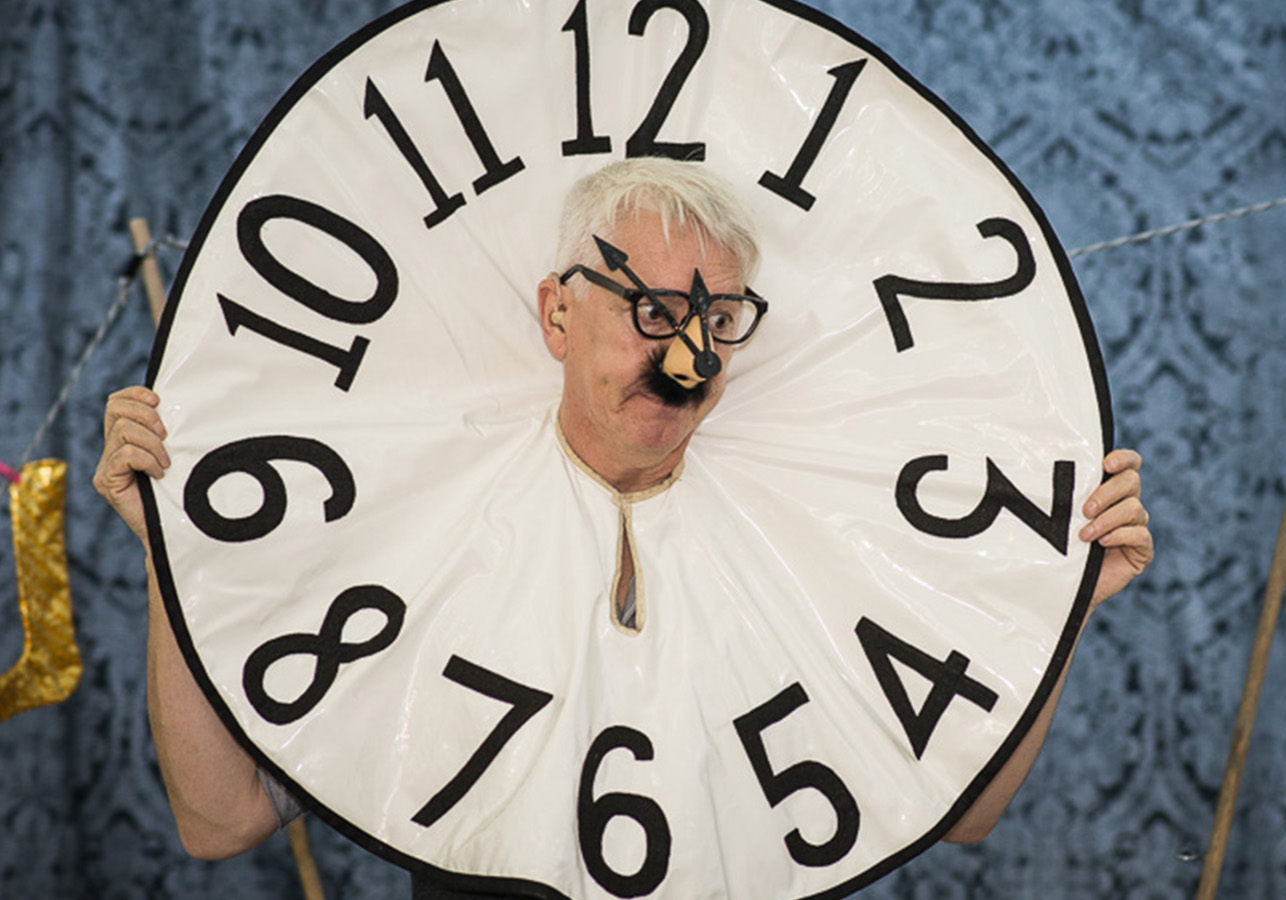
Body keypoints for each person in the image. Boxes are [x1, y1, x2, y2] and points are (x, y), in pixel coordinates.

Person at [94, 159, 1153, 886]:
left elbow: (962, 809)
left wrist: (1054, 611)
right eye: (649, 310)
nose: (687, 353)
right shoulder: (419, 527)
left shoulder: (811, 548)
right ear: (558, 314)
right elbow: (218, 820)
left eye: (717, 320)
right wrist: (176, 561)